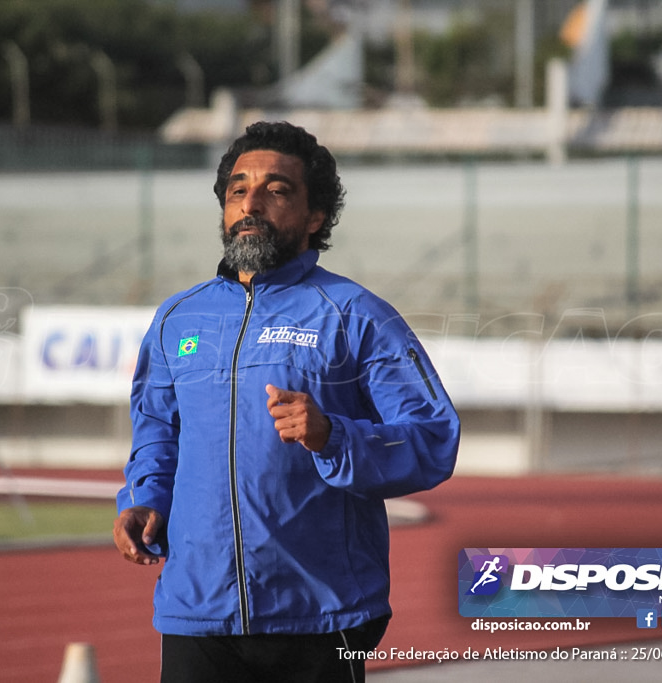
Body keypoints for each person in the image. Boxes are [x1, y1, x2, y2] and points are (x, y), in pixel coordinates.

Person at [113, 121, 460, 682]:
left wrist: (333, 436)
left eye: (276, 190)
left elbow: (433, 436)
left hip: (320, 614)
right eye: (238, 190)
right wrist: (143, 498)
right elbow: (156, 430)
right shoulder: (179, 318)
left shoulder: (356, 315)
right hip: (197, 613)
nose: (251, 203)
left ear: (315, 215)